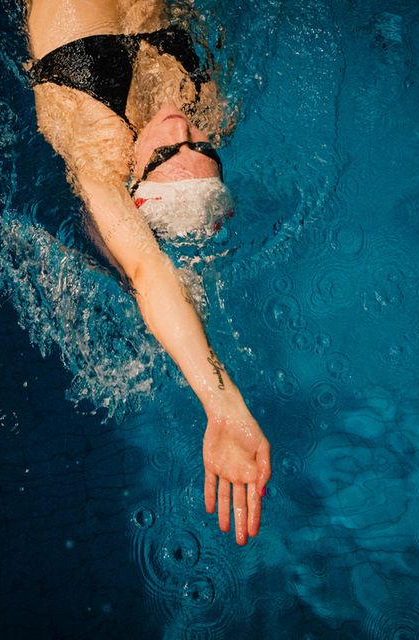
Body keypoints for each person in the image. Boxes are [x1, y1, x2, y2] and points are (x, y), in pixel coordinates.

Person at [25, 0, 271, 546]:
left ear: (135, 191)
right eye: (201, 146)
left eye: (168, 153)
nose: (183, 125)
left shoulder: (99, 156)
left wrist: (221, 401)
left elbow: (148, 270)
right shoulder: (203, 105)